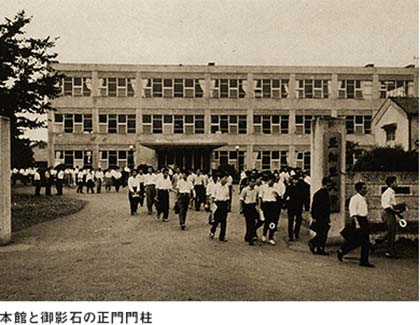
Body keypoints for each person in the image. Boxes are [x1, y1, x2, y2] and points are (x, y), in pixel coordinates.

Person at [337, 181, 374, 267]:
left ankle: (364, 260)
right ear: (359, 189)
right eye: (364, 188)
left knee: (365, 241)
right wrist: (357, 224)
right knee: (356, 240)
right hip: (358, 220)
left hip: (364, 220)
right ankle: (342, 250)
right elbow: (353, 212)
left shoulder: (363, 199)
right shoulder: (355, 199)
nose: (366, 190)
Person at [308, 177, 332, 255]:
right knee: (322, 234)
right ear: (324, 184)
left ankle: (318, 247)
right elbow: (314, 206)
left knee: (322, 233)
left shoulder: (324, 193)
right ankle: (314, 243)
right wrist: (314, 217)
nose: (329, 187)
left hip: (324, 217)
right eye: (328, 185)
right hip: (320, 217)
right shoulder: (319, 194)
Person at [283, 175, 310, 241]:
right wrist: (284, 203)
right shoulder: (289, 187)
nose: (295, 181)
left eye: (296, 180)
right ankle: (290, 235)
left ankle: (296, 232)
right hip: (291, 206)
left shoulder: (301, 188)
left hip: (298, 206)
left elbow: (305, 198)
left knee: (298, 220)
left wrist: (306, 207)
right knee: (290, 221)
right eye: (294, 180)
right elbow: (285, 196)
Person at [379, 176, 400, 258]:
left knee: (391, 231)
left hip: (390, 213)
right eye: (395, 182)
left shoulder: (391, 192)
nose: (396, 184)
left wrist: (398, 212)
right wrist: (395, 211)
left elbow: (392, 205)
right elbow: (387, 206)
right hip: (388, 213)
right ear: (391, 184)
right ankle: (389, 251)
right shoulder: (388, 192)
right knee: (391, 232)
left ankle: (377, 243)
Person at [259, 177, 282, 245]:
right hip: (266, 204)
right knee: (267, 220)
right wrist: (260, 206)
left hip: (273, 205)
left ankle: (271, 237)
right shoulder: (263, 187)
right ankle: (264, 234)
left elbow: (279, 197)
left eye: (272, 181)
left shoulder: (276, 187)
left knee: (273, 221)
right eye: (270, 180)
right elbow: (260, 197)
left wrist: (277, 195)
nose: (271, 182)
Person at [239, 178, 263, 246]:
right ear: (248, 182)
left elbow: (258, 198)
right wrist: (241, 208)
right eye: (252, 182)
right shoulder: (245, 190)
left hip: (253, 207)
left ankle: (249, 234)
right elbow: (241, 199)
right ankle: (250, 238)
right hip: (247, 207)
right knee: (249, 223)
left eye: (254, 182)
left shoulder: (256, 190)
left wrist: (259, 207)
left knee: (260, 220)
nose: (253, 183)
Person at [209, 176, 230, 242]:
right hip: (217, 203)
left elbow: (227, 197)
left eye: (226, 179)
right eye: (224, 178)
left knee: (224, 221)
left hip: (224, 204)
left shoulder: (226, 187)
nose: (226, 180)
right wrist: (212, 206)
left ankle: (222, 236)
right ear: (221, 178)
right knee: (216, 220)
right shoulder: (216, 186)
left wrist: (228, 206)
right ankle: (212, 231)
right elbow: (212, 197)